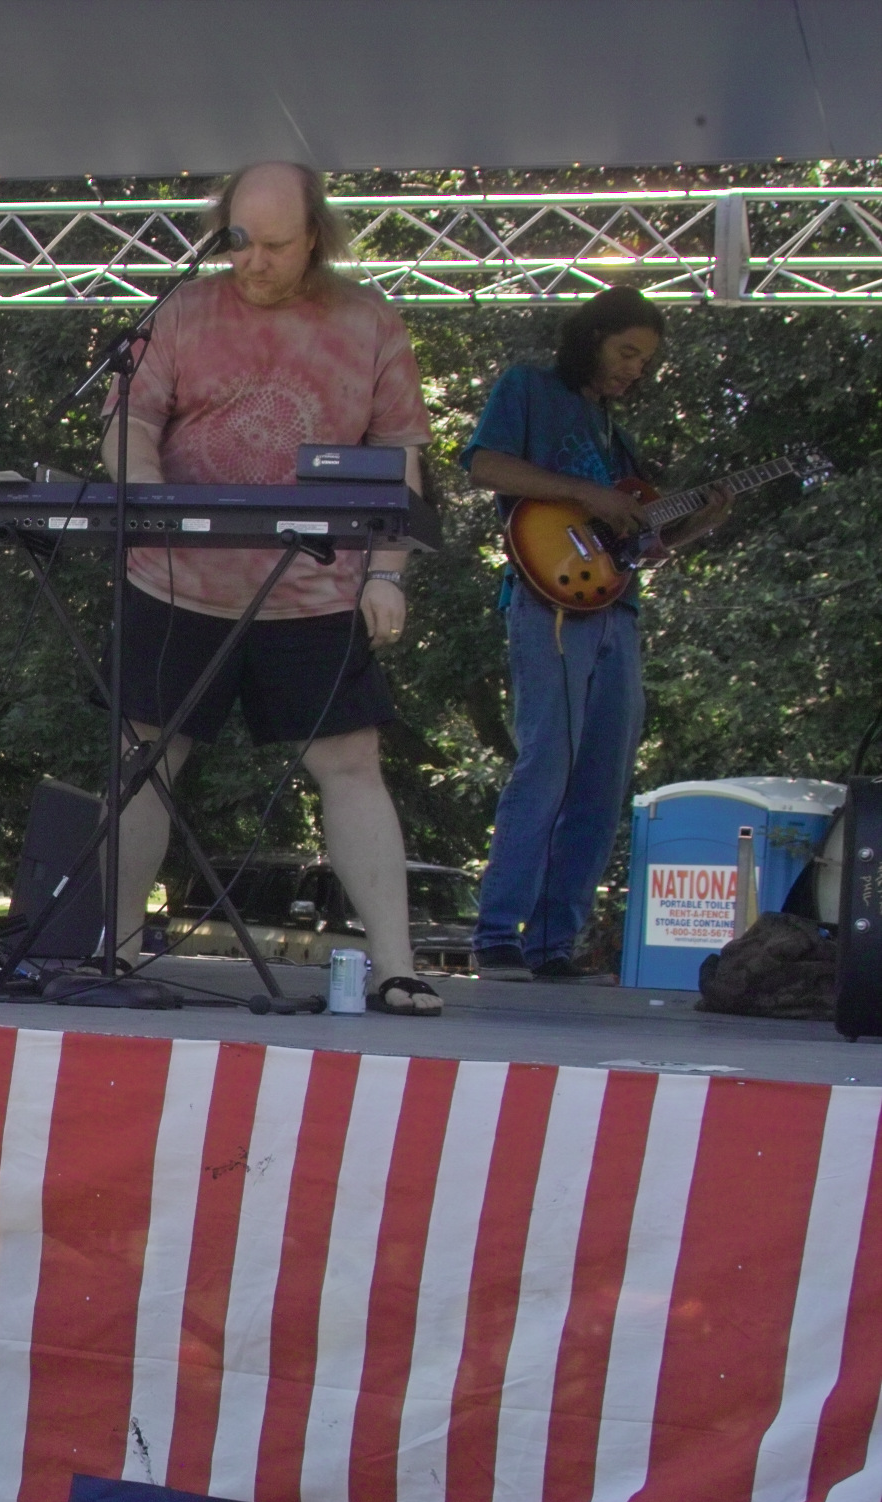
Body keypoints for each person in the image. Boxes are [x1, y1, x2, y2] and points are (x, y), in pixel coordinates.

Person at [99, 161, 444, 1015]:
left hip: (314, 586)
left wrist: (387, 573)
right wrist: (150, 505)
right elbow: (128, 421)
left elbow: (402, 455)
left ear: (316, 238)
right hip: (177, 580)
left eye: (276, 246)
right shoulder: (180, 311)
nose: (254, 261)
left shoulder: (369, 322)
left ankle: (397, 966)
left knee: (352, 762)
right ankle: (115, 952)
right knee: (143, 758)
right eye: (241, 242)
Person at [463, 286, 731, 979]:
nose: (635, 369)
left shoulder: (617, 435)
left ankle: (554, 941)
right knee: (548, 762)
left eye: (645, 361)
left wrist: (696, 524)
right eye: (628, 352)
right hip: (546, 602)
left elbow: (638, 545)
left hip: (616, 609)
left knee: (603, 776)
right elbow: (483, 464)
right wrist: (586, 493)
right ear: (592, 338)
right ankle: (498, 932)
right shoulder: (529, 387)